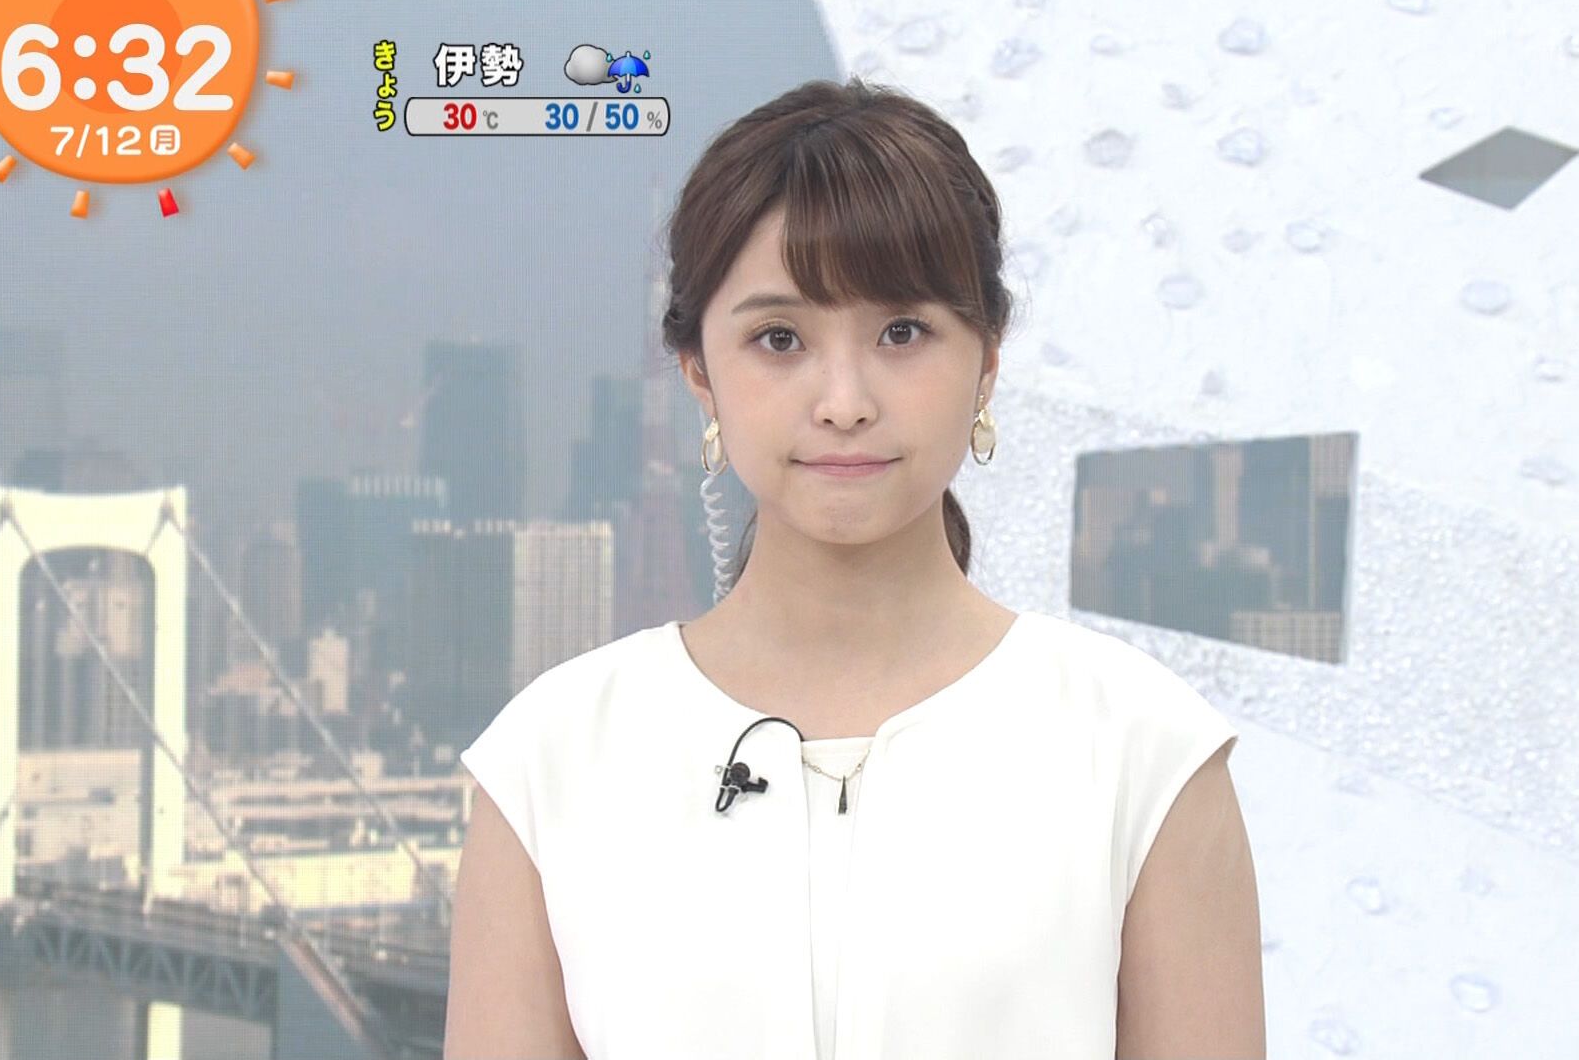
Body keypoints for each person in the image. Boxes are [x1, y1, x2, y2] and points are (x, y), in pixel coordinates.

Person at [445, 77, 1264, 1060]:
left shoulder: (1143, 750)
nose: (843, 401)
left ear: (987, 360)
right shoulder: (551, 760)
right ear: (699, 371)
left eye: (902, 333)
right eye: (779, 339)